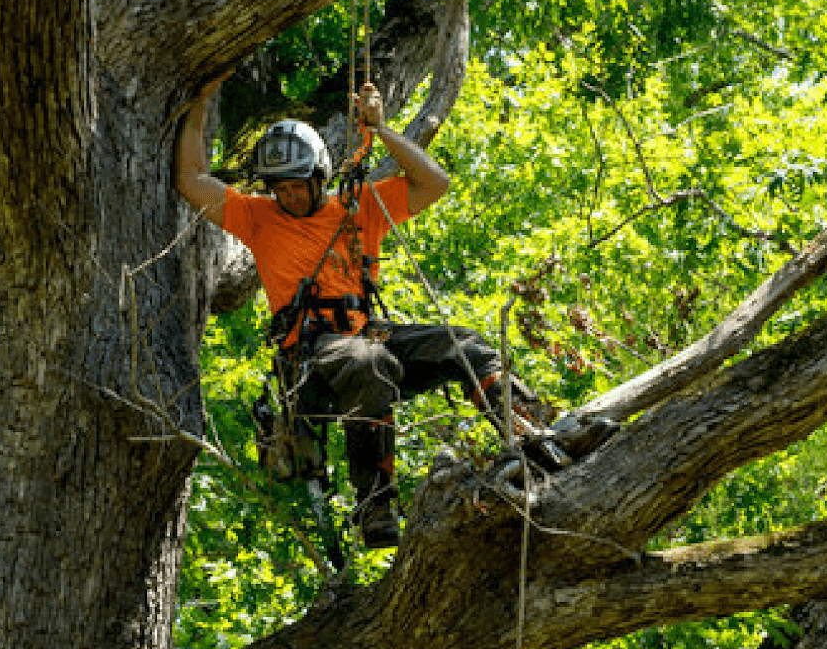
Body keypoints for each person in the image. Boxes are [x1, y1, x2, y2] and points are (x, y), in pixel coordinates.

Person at [175, 75, 615, 549]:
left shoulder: (358, 207)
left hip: (367, 339)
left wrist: (382, 130)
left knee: (464, 345)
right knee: (369, 363)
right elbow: (192, 179)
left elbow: (434, 182)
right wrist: (200, 98)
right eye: (279, 188)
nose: (289, 197)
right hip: (311, 359)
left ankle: (531, 430)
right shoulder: (258, 217)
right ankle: (376, 503)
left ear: (319, 174)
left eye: (297, 186)